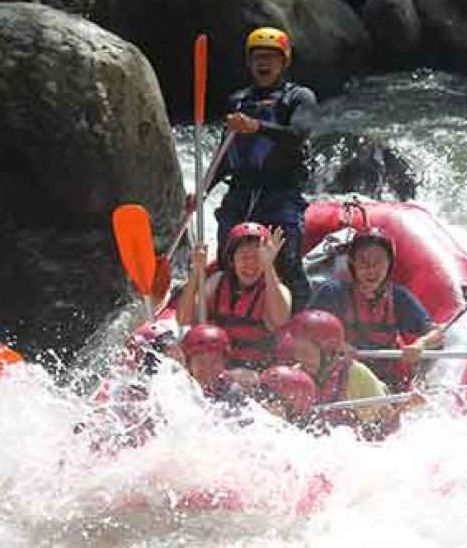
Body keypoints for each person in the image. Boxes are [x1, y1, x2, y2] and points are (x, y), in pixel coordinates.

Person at [208, 26, 318, 312]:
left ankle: (300, 326)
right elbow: (225, 154)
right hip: (240, 193)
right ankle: (231, 324)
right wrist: (202, 191)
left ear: (284, 61)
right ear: (249, 62)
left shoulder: (298, 97)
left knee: (286, 262)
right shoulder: (238, 101)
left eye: (271, 57)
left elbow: (298, 134)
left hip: (279, 193)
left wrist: (257, 127)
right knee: (229, 260)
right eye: (258, 57)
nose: (264, 63)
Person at [307, 227, 445, 393]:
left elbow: (436, 334)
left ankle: (414, 390)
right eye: (364, 262)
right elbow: (304, 330)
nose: (371, 269)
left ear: (389, 263)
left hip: (388, 382)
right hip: (344, 379)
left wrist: (420, 344)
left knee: (433, 347)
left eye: (378, 262)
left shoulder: (399, 297)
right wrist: (337, 344)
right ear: (352, 263)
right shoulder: (333, 293)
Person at [176, 222, 291, 370]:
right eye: (243, 257)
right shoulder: (217, 282)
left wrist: (268, 265)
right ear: (232, 261)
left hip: (254, 373)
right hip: (218, 369)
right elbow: (183, 318)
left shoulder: (278, 290)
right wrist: (196, 271)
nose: (250, 264)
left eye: (257, 258)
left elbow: (279, 320)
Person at [282, 309, 397, 437]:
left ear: (328, 351)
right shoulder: (295, 376)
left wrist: (403, 408)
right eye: (297, 345)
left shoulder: (355, 373)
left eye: (306, 351)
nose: (301, 356)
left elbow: (389, 422)